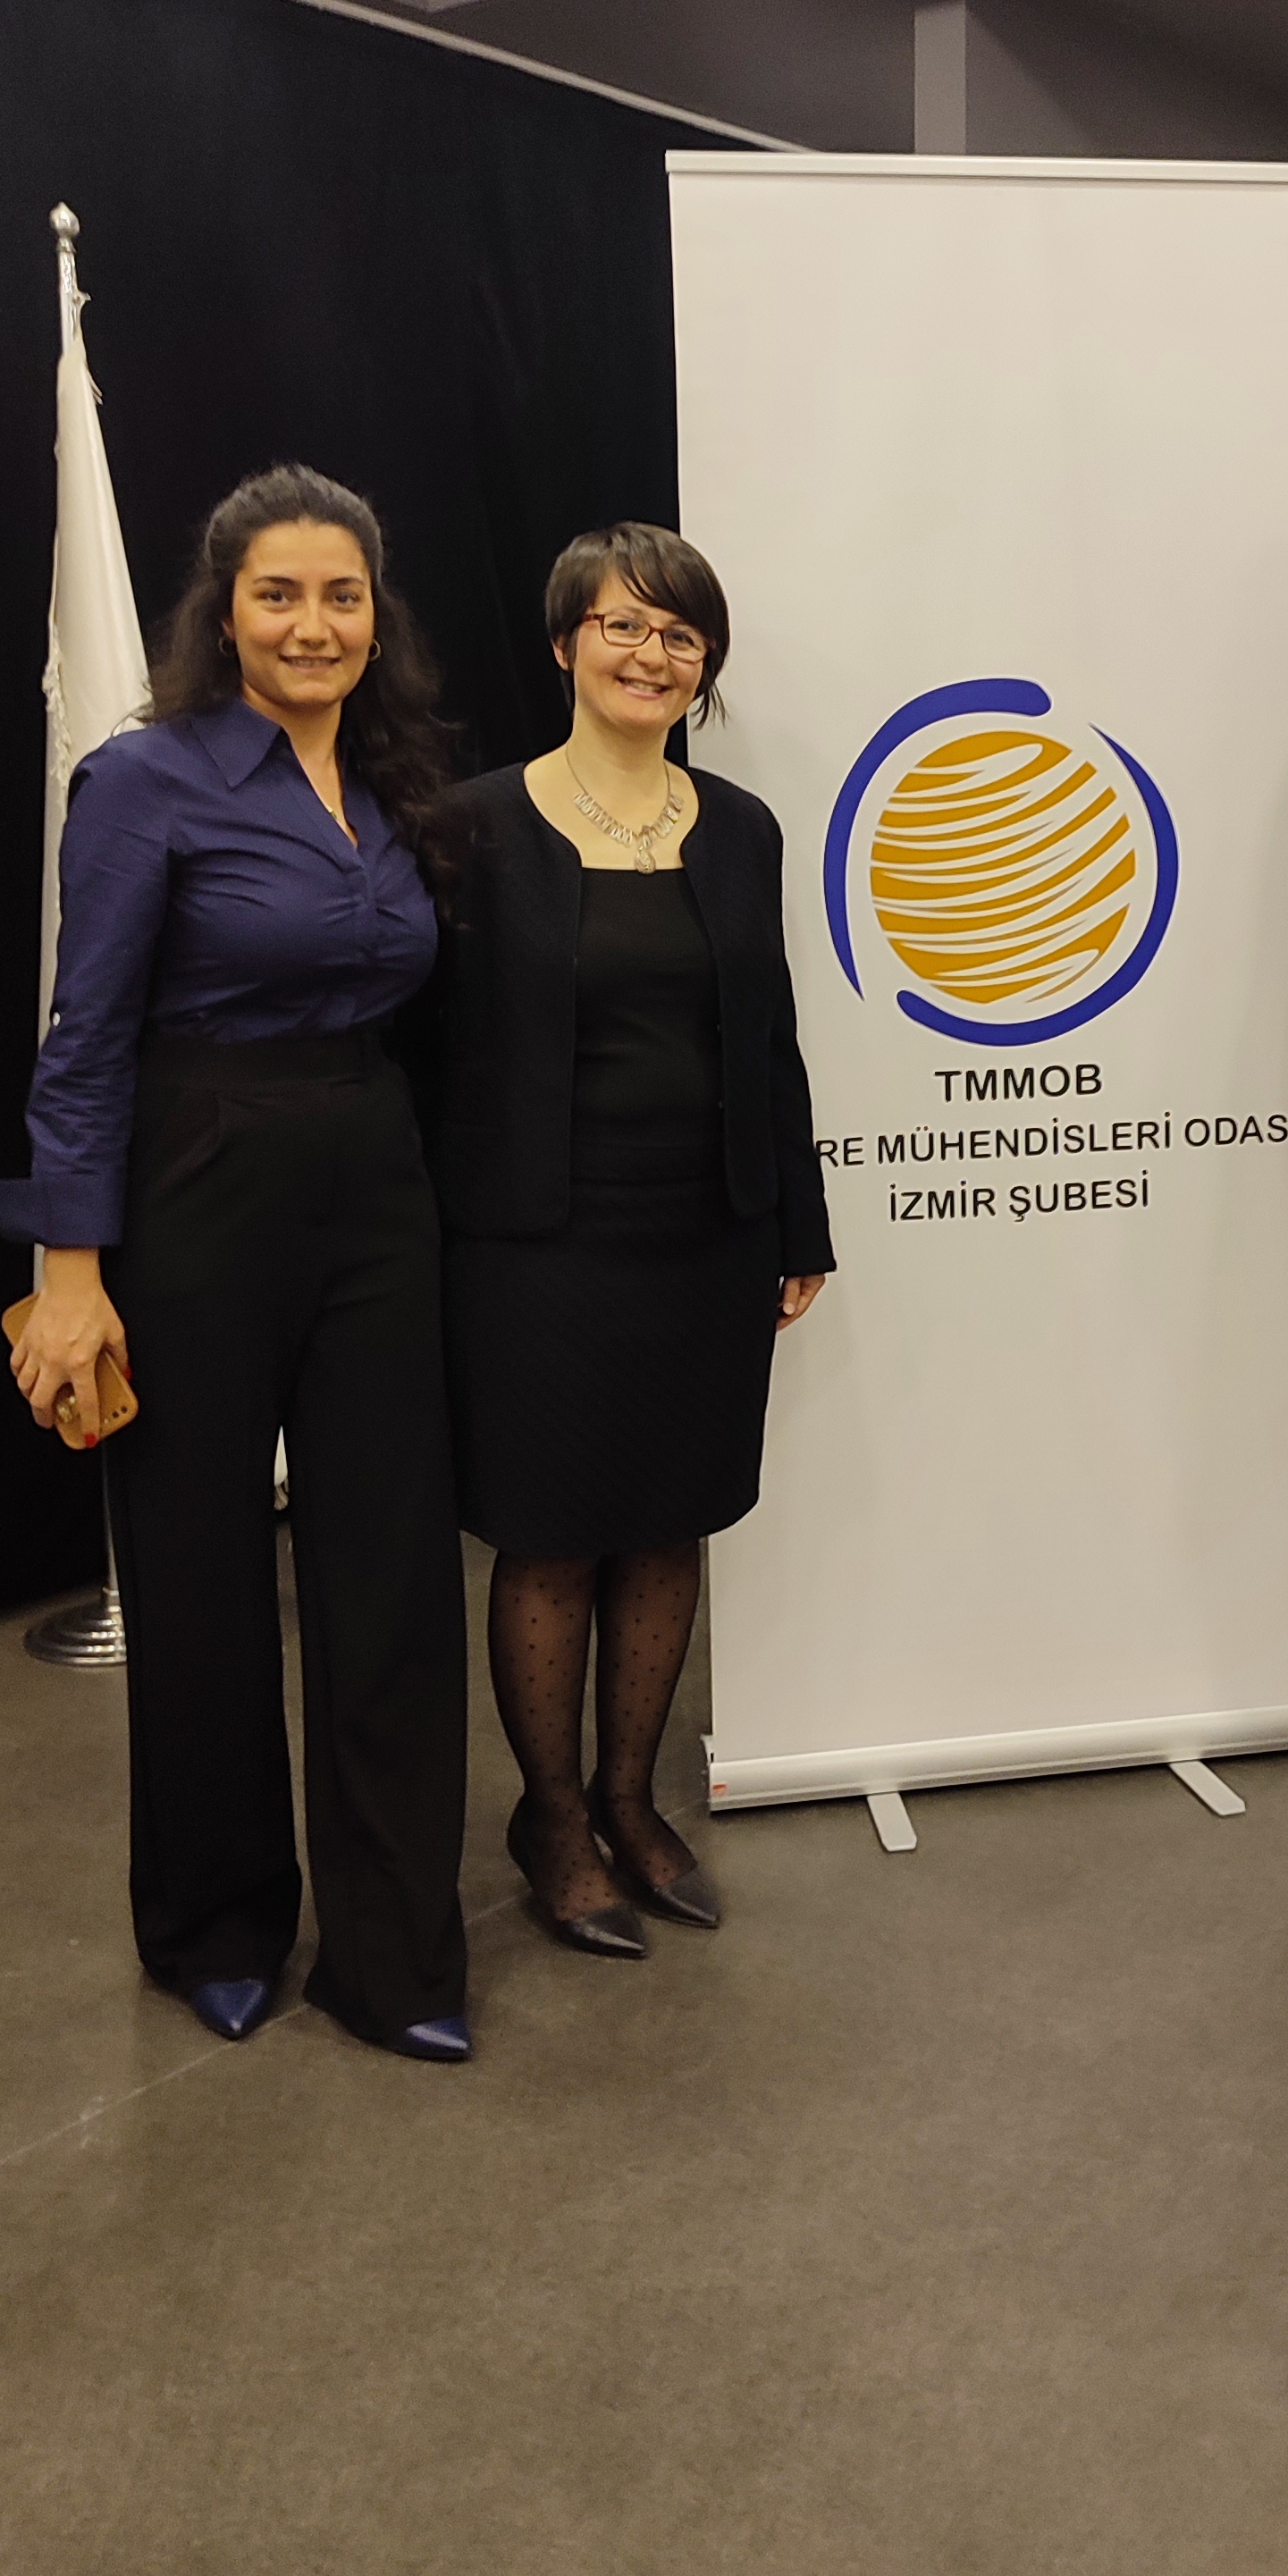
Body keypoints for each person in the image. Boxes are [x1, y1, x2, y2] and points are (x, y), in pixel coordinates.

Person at [0, 465, 473, 2061]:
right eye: (279, 595)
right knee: (198, 1577)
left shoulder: (400, 783)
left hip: (374, 1189)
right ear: (225, 610)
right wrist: (69, 1271)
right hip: (195, 1186)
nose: (312, 625)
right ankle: (214, 1926)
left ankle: (397, 1959)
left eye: (342, 595)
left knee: (392, 1574)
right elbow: (86, 1037)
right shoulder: (147, 779)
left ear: (376, 615)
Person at [433, 522, 831, 1958]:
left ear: (703, 664)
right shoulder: (473, 826)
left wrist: (799, 1220)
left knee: (669, 1519)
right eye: (622, 624)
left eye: (680, 634)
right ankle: (550, 1821)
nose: (650, 654)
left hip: (706, 1234)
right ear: (564, 644)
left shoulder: (743, 828)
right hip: (534, 1250)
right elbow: (431, 1053)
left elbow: (769, 1036)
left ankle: (629, 1800)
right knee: (550, 1536)